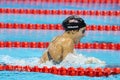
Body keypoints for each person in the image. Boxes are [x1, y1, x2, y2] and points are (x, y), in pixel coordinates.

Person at [40, 15, 105, 65]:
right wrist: (90, 61)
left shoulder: (56, 38)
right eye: (83, 31)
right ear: (73, 31)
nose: (84, 35)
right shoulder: (68, 42)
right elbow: (67, 65)